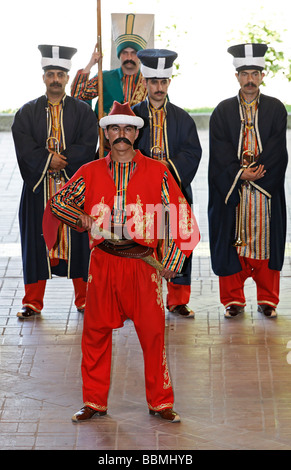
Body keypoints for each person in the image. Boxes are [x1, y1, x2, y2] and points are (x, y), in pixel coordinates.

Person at [43, 101, 200, 422]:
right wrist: (82, 218)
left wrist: (172, 259)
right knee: (95, 333)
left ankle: (161, 402)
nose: (121, 135)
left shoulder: (158, 172)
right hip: (102, 265)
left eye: (128, 129)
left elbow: (181, 215)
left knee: (154, 334)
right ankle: (94, 401)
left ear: (137, 133)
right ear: (106, 133)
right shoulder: (90, 172)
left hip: (144, 265)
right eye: (115, 128)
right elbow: (58, 202)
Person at [12, 44, 98, 319]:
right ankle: (32, 301)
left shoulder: (83, 112)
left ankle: (85, 299)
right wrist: (48, 161)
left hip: (74, 190)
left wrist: (66, 160)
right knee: (37, 243)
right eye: (51, 74)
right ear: (43, 77)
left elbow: (88, 143)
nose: (56, 79)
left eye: (60, 74)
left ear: (67, 77)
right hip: (39, 190)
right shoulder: (27, 112)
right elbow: (23, 145)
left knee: (79, 243)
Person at [208, 43, 288, 319]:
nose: (250, 80)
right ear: (237, 77)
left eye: (255, 73)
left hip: (265, 193)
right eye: (245, 74)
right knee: (231, 243)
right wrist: (239, 173)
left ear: (263, 76)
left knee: (267, 242)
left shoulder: (277, 109)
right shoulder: (223, 111)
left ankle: (268, 299)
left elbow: (278, 149)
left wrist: (256, 174)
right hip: (235, 191)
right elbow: (218, 151)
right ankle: (233, 300)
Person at [132, 49, 202, 318]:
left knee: (177, 240)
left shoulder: (183, 118)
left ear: (169, 83)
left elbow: (192, 153)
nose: (158, 88)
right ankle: (140, 295)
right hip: (141, 195)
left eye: (163, 82)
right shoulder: (133, 117)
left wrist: (165, 169)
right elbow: (122, 149)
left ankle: (177, 299)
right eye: (153, 82)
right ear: (145, 82)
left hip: (176, 192)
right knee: (141, 241)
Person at [71, 13, 154, 117]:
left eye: (133, 53)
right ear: (119, 55)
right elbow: (79, 94)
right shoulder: (104, 77)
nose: (129, 57)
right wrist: (91, 64)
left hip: (138, 133)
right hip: (106, 132)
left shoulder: (150, 82)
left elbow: (162, 107)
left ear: (139, 56)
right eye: (124, 53)